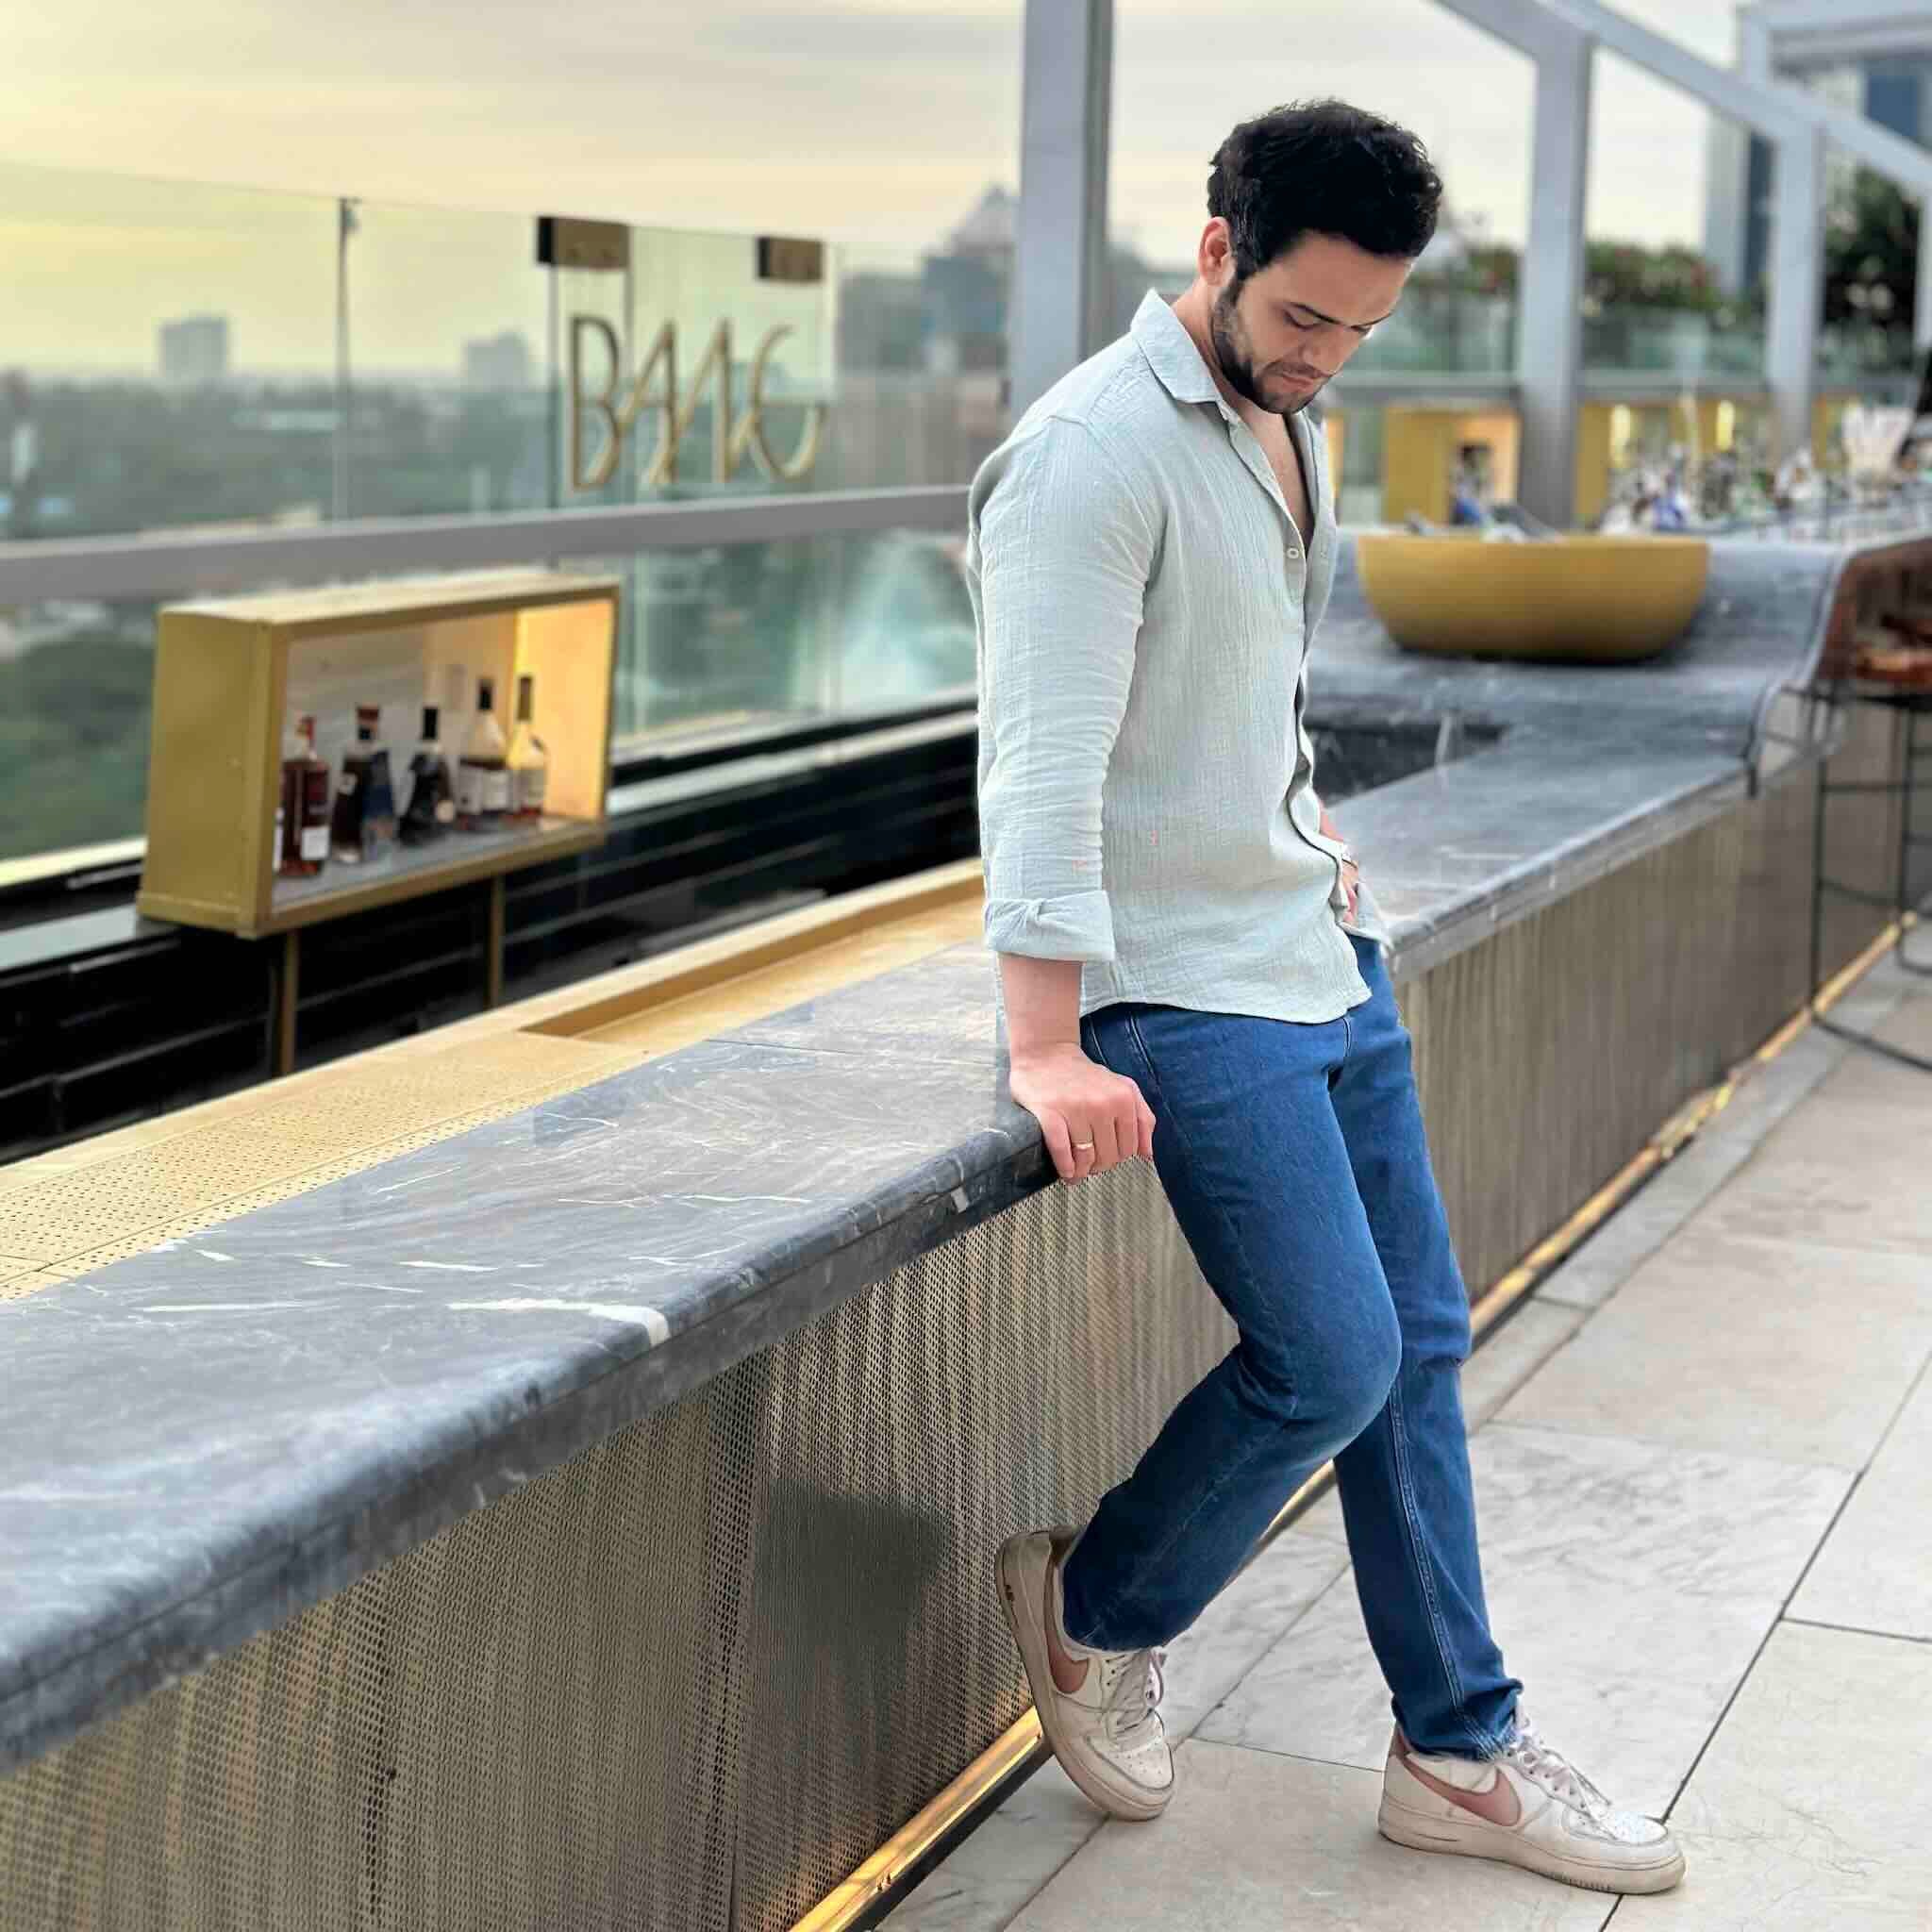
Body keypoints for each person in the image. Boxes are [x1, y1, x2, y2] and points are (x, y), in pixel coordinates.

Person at [969, 99, 1686, 1899]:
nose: (1328, 357)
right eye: (1304, 318)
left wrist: (1328, 861)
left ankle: (1456, 1745)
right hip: (1180, 990)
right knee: (1337, 1355)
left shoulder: (1288, 425)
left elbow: (1250, 696)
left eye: (1365, 329)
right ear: (1217, 251)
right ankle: (1094, 1606)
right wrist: (1044, 1038)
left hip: (1314, 949)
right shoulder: (1087, 458)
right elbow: (1042, 768)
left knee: (1422, 1353)